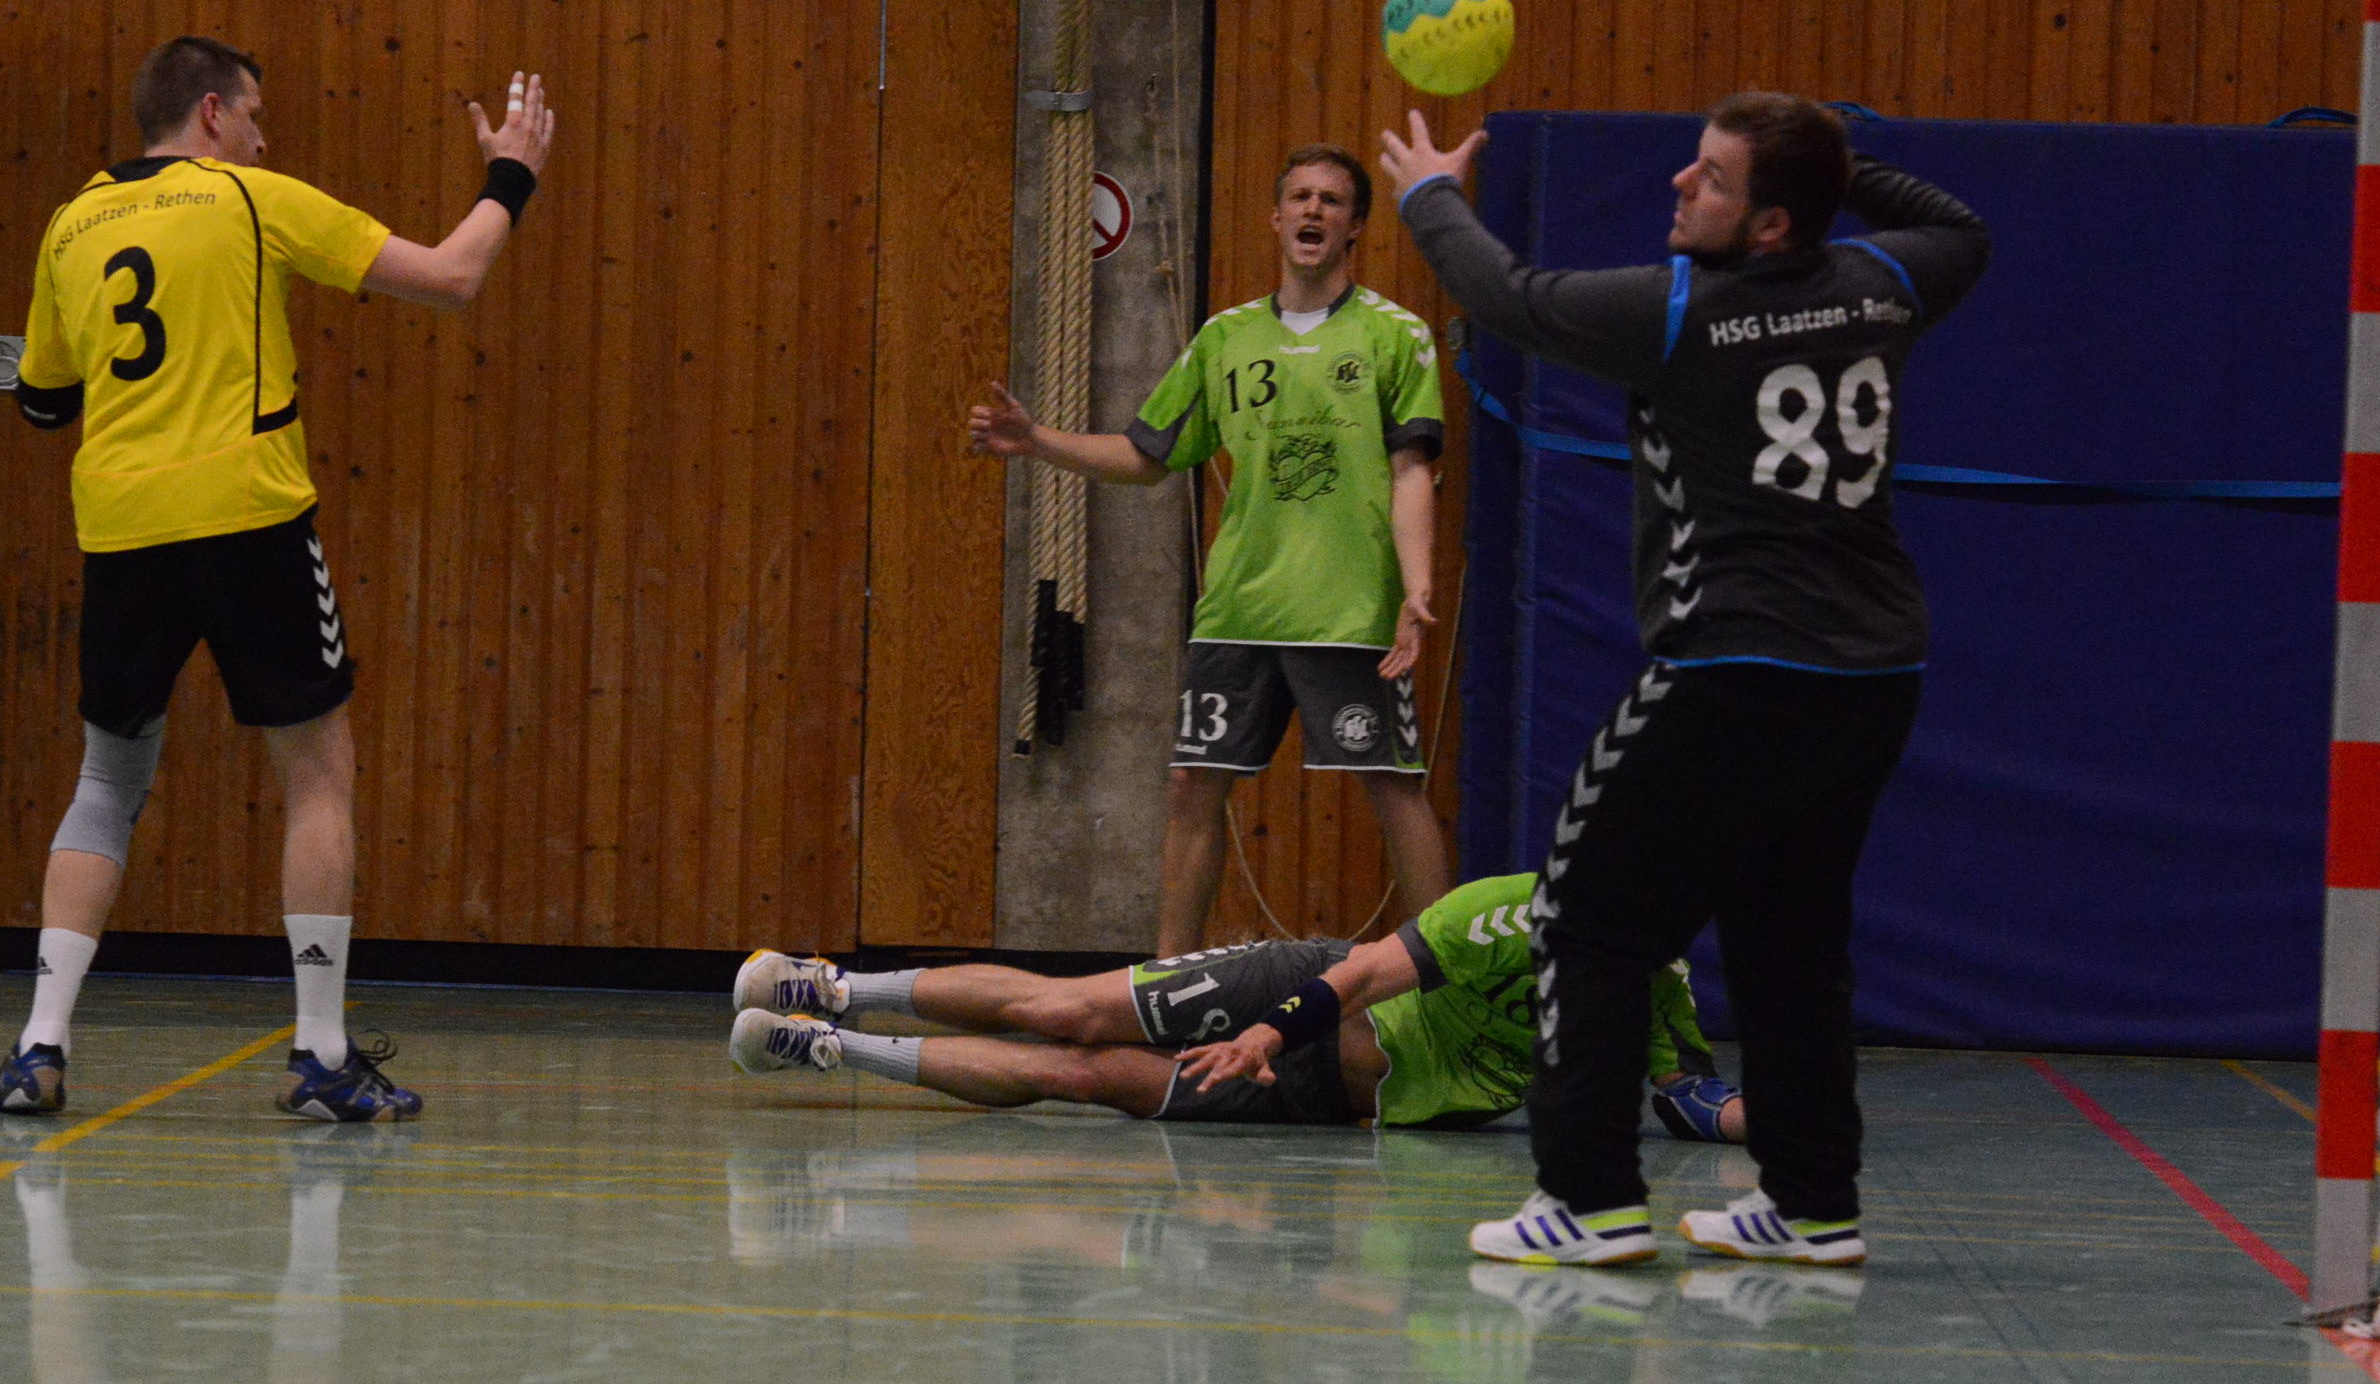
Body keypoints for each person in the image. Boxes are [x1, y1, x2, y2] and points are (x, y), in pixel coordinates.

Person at [1380, 95, 1989, 1267]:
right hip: (1873, 677)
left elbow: (1507, 296)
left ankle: (1589, 1199)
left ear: (1768, 224)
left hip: (1733, 674)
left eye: (1710, 177)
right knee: (1791, 941)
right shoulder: (1882, 281)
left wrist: (1430, 197)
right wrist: (1834, 169)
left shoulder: (1679, 312)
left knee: (1582, 917)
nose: (1678, 183)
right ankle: (1813, 1205)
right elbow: (1963, 227)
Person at [9, 36, 557, 1122]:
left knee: (106, 781)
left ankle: (37, 1047)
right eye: (255, 114)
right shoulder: (251, 199)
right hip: (248, 519)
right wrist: (513, 175)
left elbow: (42, 399)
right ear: (212, 113)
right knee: (317, 772)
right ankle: (319, 1055)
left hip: (120, 530)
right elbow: (452, 276)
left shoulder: (71, 224)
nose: (265, 137)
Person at [970, 145, 1450, 954]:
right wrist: (1036, 440)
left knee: (1393, 784)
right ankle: (1171, 983)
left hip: (1346, 613)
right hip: (1238, 611)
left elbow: (1411, 470)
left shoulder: (1394, 334)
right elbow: (1145, 455)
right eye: (1299, 196)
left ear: (1354, 227)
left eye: (1331, 200)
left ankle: (1451, 978)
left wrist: (1416, 586)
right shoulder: (1225, 337)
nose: (1313, 210)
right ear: (1274, 218)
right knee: (1191, 786)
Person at [726, 871, 1744, 1141]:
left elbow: (1689, 1096)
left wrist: (1776, 1126)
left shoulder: (1660, 985)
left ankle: (827, 1047)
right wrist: (1264, 1030)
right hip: (1295, 996)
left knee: (1080, 1077)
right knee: (1069, 1013)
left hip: (1332, 1100)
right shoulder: (1509, 910)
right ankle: (839, 986)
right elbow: (1360, 979)